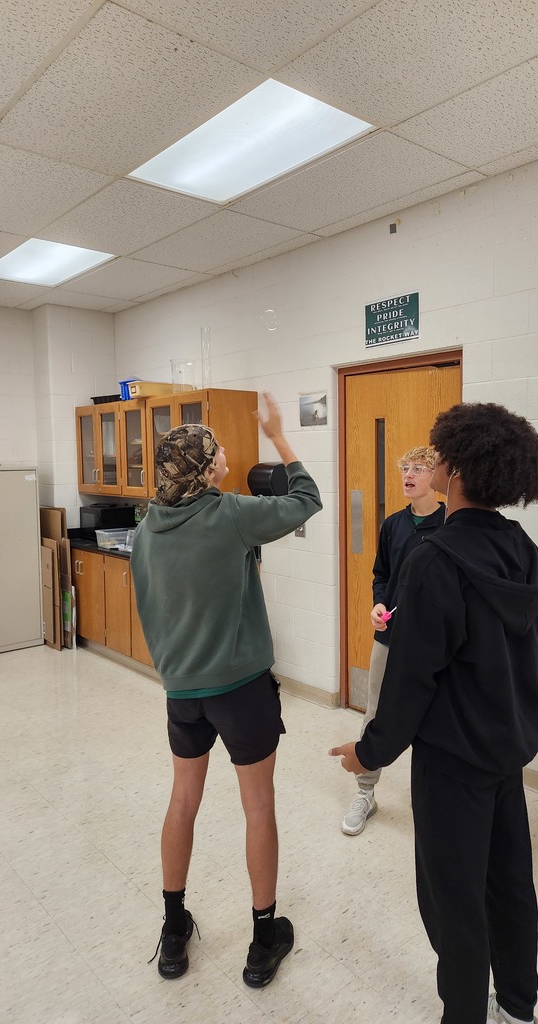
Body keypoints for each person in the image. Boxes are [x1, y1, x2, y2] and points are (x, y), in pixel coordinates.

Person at [330, 402, 538, 1024]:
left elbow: (409, 682)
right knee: (510, 885)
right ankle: (517, 1006)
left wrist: (367, 752)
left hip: (453, 762)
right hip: (506, 750)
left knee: (453, 899)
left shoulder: (437, 559)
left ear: (452, 471)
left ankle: (464, 1013)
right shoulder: (522, 550)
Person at [131, 393, 322, 988]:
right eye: (216, 452)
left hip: (182, 691)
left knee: (182, 800)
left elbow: (151, 609)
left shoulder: (145, 531)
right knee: (257, 806)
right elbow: (306, 499)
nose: (224, 456)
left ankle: (172, 933)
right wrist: (280, 437)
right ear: (206, 466)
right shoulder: (232, 514)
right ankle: (264, 939)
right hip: (240, 690)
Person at [341, 446, 444, 836]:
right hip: (389, 638)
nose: (409, 474)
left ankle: (434, 801)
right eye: (405, 467)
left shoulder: (452, 523)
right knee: (376, 712)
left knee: (437, 721)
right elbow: (380, 573)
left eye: (419, 468)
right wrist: (378, 603)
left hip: (434, 643)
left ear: (436, 476)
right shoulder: (393, 525)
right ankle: (366, 793)